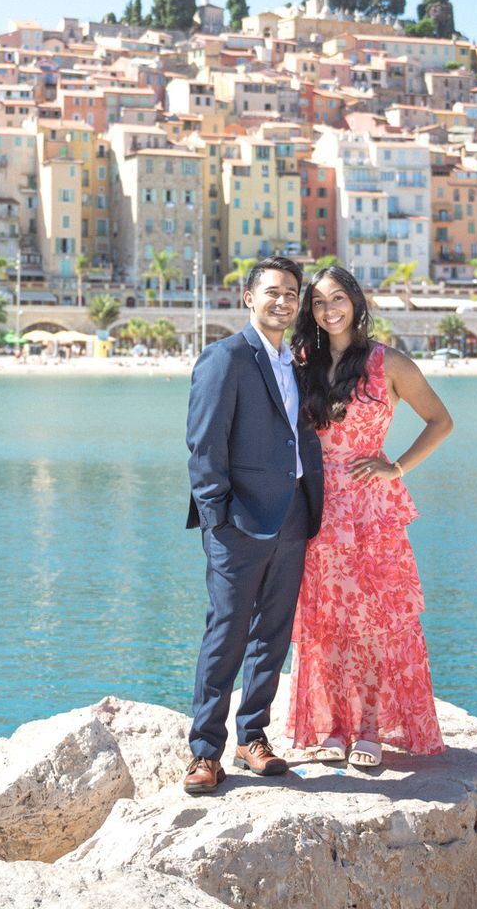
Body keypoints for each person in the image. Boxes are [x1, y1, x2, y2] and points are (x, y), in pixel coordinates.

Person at [285, 265, 454, 768]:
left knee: (377, 622)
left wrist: (396, 466)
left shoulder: (390, 363)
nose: (329, 309)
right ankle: (336, 725)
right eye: (318, 302)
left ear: (356, 302)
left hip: (371, 510)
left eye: (338, 298)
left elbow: (441, 421)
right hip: (317, 507)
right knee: (327, 621)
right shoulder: (303, 361)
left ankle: (373, 727)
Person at [182, 256, 324, 795]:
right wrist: (217, 520)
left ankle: (253, 735)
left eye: (292, 292)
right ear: (249, 298)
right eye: (272, 291)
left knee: (273, 634)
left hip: (293, 514)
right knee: (227, 634)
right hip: (237, 522)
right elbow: (204, 445)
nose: (283, 301)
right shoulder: (225, 358)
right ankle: (203, 751)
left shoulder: (299, 364)